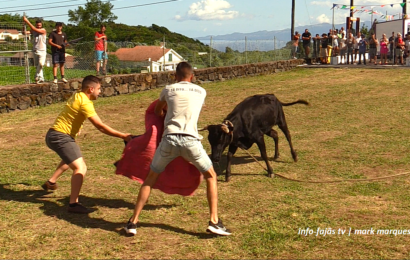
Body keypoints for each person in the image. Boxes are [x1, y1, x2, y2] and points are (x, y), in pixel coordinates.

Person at [124, 62, 231, 236]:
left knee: (150, 179)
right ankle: (214, 221)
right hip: (191, 141)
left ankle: (133, 222)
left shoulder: (168, 90)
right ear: (192, 77)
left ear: (175, 76)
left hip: (169, 140)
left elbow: (158, 111)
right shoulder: (201, 92)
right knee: (211, 176)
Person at [43, 75, 132, 213]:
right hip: (60, 137)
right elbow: (100, 126)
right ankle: (73, 204)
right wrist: (123, 135)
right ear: (91, 89)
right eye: (98, 89)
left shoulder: (78, 95)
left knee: (70, 158)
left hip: (54, 135)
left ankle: (51, 181)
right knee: (81, 167)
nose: (100, 92)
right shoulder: (85, 102)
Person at [22, 16, 47, 84]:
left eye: (39, 25)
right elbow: (24, 32)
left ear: (41, 25)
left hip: (42, 50)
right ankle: (41, 78)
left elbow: (33, 28)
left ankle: (36, 76)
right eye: (37, 25)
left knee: (41, 64)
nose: (38, 26)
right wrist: (24, 24)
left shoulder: (43, 30)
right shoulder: (33, 31)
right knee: (38, 65)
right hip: (35, 50)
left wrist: (27, 21)